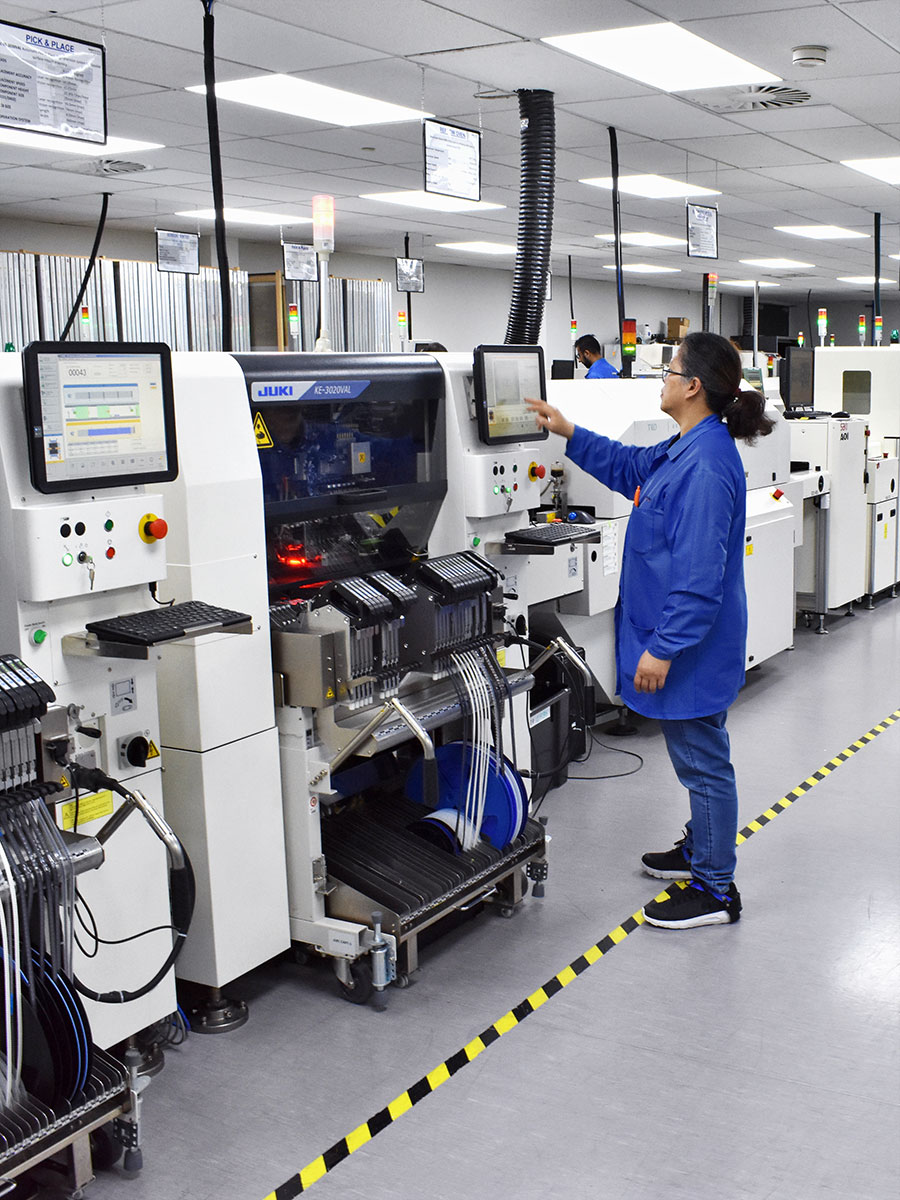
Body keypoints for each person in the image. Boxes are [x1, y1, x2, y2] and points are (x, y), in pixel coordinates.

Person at [526, 332, 775, 930]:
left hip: (690, 645)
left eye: (670, 369)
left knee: (702, 762)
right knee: (699, 753)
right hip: (684, 639)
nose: (662, 377)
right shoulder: (686, 447)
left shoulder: (709, 466)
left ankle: (717, 889)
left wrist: (663, 650)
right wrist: (567, 430)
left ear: (693, 386)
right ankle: (700, 850)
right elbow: (630, 466)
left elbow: (699, 577)